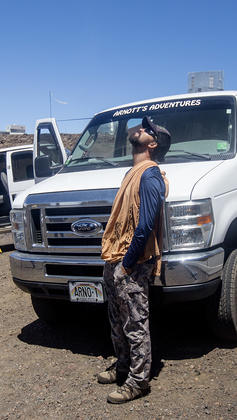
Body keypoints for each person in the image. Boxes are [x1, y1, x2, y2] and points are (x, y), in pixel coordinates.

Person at [99, 115, 171, 404]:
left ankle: (139, 381)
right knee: (118, 319)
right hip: (116, 258)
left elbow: (145, 225)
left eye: (147, 130)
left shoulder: (151, 175)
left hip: (133, 262)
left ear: (152, 143)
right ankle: (123, 368)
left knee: (135, 323)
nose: (140, 130)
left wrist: (127, 264)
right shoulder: (134, 172)